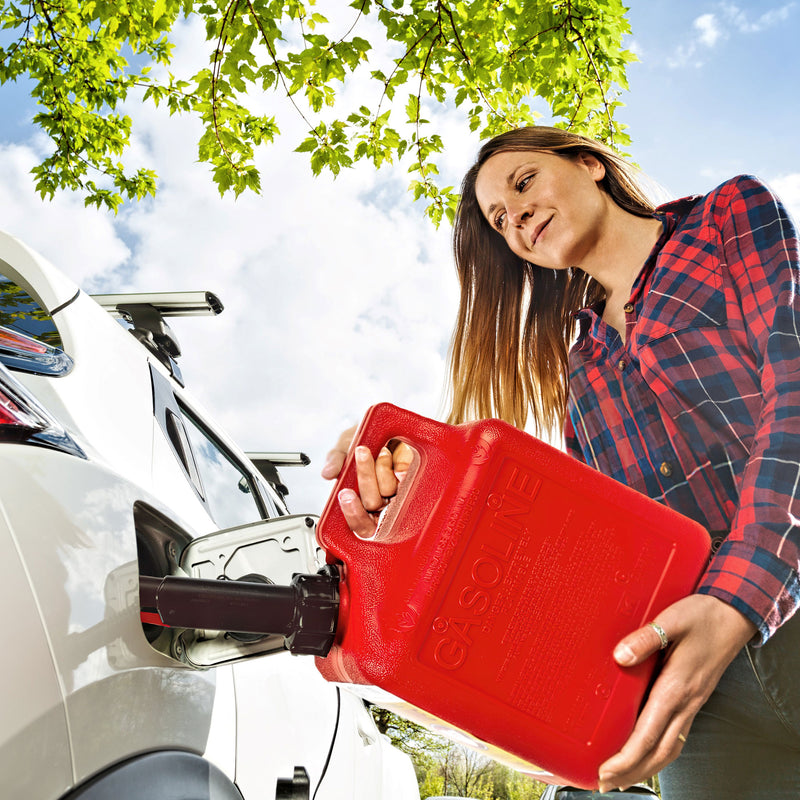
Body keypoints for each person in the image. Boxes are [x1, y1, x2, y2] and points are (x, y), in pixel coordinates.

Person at [321, 126, 800, 797]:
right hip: (702, 696)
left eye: (523, 184)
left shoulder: (725, 219)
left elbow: (794, 391)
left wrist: (736, 597)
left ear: (589, 165)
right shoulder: (582, 365)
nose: (516, 217)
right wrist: (412, 474)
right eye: (500, 220)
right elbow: (597, 546)